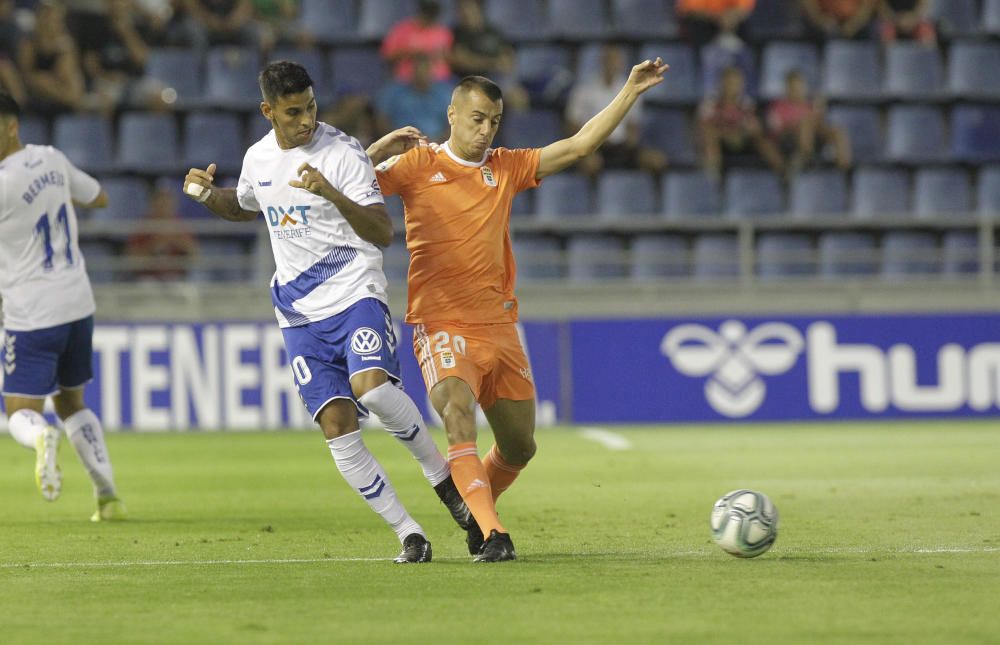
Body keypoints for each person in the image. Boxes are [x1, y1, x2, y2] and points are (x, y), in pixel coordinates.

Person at [371, 58, 669, 562]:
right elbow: (345, 188)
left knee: (519, 447)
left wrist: (629, 92)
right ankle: (492, 533)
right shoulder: (417, 165)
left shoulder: (504, 167)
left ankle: (474, 510)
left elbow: (579, 145)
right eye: (477, 118)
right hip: (440, 322)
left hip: (500, 327)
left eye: (494, 121)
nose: (486, 129)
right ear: (452, 114)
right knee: (457, 417)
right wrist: (375, 151)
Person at [181, 60, 477, 563]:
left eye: (311, 107)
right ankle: (409, 533)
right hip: (298, 314)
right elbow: (244, 204)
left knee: (375, 391)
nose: (306, 120)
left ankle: (445, 483)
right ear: (267, 111)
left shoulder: (341, 152)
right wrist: (210, 195)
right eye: (293, 112)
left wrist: (329, 191)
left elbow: (383, 233)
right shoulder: (257, 158)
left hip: (353, 291)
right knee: (337, 426)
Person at [0, 91, 127, 522]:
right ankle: (108, 495)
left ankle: (40, 438)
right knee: (73, 402)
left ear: (11, 126)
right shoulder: (51, 158)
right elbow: (100, 198)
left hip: (30, 312)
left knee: (20, 412)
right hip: (77, 304)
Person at [566, 44, 666, 178]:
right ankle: (596, 196)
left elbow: (633, 125)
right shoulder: (585, 90)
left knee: (656, 161)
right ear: (603, 61)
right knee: (591, 164)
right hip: (594, 146)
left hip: (622, 146)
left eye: (616, 60)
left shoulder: (631, 89)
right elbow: (572, 124)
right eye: (609, 60)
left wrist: (631, 142)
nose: (613, 64)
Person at [698, 66, 785, 179]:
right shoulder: (710, 104)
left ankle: (783, 175)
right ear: (721, 84)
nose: (733, 87)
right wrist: (727, 134)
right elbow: (705, 127)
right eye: (729, 83)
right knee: (710, 135)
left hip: (742, 141)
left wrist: (741, 133)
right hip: (720, 142)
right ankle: (713, 179)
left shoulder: (746, 104)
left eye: (736, 83)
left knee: (763, 141)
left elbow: (754, 127)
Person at [767, 69, 851, 172]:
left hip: (815, 137)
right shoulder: (778, 107)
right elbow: (776, 131)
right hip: (791, 141)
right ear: (787, 88)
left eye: (800, 87)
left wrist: (820, 111)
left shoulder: (809, 105)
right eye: (794, 87)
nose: (797, 91)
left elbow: (820, 126)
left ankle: (844, 168)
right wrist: (798, 124)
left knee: (837, 131)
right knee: (806, 122)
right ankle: (805, 158)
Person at [17, 1, 86, 115]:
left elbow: (70, 73)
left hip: (59, 87)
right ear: (42, 19)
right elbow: (27, 75)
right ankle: (72, 100)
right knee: (43, 80)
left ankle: (72, 103)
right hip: (36, 89)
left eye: (58, 20)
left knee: (71, 80)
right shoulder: (29, 43)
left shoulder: (66, 44)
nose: (56, 24)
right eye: (53, 20)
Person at [125, 181, 199, 281]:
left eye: (167, 201)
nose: (164, 205)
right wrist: (154, 244)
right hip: (148, 276)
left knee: (187, 290)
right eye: (160, 201)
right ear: (153, 203)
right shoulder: (144, 226)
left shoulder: (179, 226)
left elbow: (195, 255)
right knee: (146, 287)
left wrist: (176, 240)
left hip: (175, 276)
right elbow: (132, 260)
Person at [376, 54, 452, 143]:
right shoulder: (393, 92)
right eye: (418, 70)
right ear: (412, 71)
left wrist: (438, 143)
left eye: (425, 70)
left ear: (432, 72)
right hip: (400, 144)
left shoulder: (444, 93)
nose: (422, 75)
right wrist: (395, 139)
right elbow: (381, 120)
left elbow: (452, 124)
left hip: (435, 145)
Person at [380, 0, 452, 84]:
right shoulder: (402, 29)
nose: (429, 19)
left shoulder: (444, 32)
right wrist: (410, 52)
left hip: (438, 82)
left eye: (432, 15)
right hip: (406, 81)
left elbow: (449, 58)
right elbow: (387, 56)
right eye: (426, 13)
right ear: (420, 12)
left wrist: (439, 55)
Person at [676, 0, 756, 47]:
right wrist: (717, 16)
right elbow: (689, 8)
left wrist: (731, 15)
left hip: (734, 26)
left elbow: (744, 7)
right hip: (702, 29)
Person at [801, 0, 878, 40]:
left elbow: (868, 5)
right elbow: (809, 5)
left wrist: (852, 26)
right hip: (821, 28)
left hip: (858, 28)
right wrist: (822, 21)